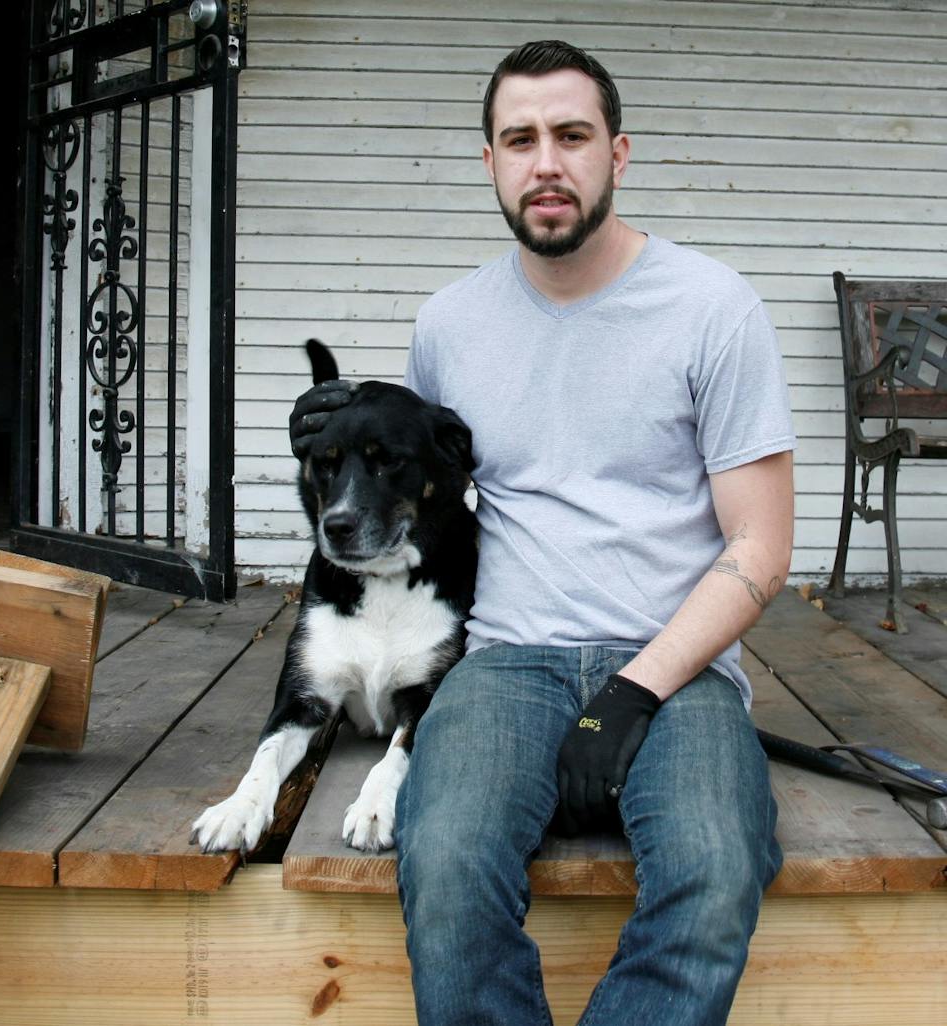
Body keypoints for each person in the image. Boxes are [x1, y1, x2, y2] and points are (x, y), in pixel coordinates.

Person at [290, 40, 795, 1026]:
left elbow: (759, 547)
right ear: (489, 162)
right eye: (518, 140)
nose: (545, 163)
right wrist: (322, 436)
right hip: (502, 663)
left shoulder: (712, 310)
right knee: (440, 863)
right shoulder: (449, 323)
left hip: (674, 666)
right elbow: (406, 496)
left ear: (617, 150)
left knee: (717, 869)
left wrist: (630, 693)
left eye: (570, 135)